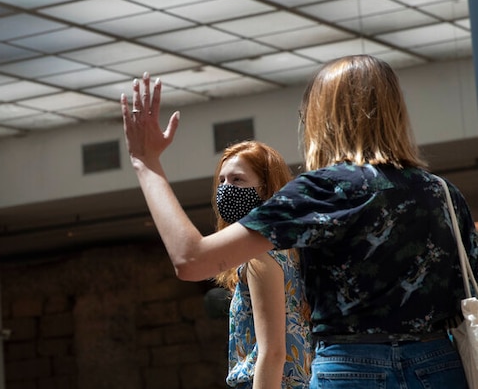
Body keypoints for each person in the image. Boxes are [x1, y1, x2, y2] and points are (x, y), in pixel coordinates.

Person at [121, 56, 477, 388]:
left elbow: (191, 258)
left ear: (322, 117)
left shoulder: (324, 189)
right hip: (441, 365)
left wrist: (147, 164)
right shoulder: (442, 193)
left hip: (350, 367)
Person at [211, 140, 314, 388]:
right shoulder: (292, 249)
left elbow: (273, 353)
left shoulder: (261, 257)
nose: (226, 188)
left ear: (266, 190)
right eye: (222, 181)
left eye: (238, 180)